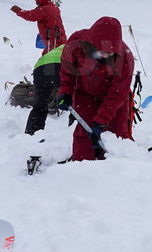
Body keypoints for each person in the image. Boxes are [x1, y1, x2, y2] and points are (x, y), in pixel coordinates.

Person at [56, 17, 135, 161]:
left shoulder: (125, 59)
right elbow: (67, 70)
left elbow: (117, 93)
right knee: (84, 134)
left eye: (108, 53)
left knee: (115, 136)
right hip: (85, 93)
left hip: (113, 100)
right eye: (99, 52)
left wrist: (102, 118)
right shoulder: (76, 42)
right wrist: (66, 92)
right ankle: (81, 165)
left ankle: (115, 170)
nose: (104, 56)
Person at [25, 44, 64, 135]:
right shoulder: (88, 48)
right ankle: (73, 134)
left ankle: (31, 136)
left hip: (41, 65)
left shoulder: (67, 45)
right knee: (78, 102)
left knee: (39, 107)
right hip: (60, 65)